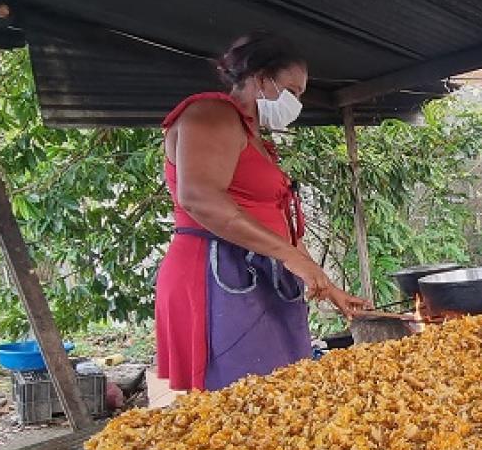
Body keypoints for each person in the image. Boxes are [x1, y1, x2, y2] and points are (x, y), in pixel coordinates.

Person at [155, 32, 369, 391]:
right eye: (292, 90)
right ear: (260, 78)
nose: (296, 102)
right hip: (219, 272)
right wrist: (288, 256)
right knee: (243, 399)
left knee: (277, 394)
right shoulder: (212, 113)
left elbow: (276, 221)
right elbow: (199, 196)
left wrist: (329, 287)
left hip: (257, 274)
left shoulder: (256, 137)